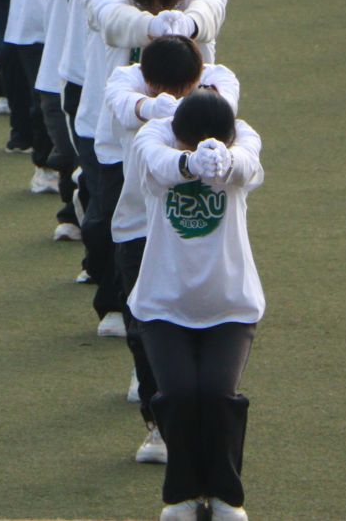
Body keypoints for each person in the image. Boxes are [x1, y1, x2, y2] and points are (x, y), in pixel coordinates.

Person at [130, 89, 265, 521]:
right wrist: (190, 164)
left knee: (217, 394)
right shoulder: (155, 140)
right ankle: (182, 497)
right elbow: (157, 162)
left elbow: (248, 161)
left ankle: (226, 497)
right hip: (162, 306)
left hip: (230, 306)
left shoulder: (240, 142)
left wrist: (225, 160)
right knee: (179, 394)